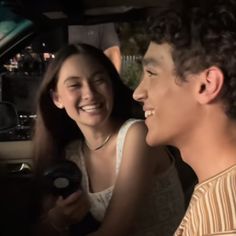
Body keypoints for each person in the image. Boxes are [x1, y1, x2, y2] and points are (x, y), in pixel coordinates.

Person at [32, 43, 185, 236]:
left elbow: (114, 232)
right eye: (75, 85)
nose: (89, 94)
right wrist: (57, 219)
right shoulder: (71, 154)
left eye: (98, 81)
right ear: (57, 99)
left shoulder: (136, 135)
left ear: (112, 86)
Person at [133, 0, 236, 235]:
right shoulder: (216, 187)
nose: (138, 92)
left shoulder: (224, 219)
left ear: (206, 85)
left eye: (151, 73)